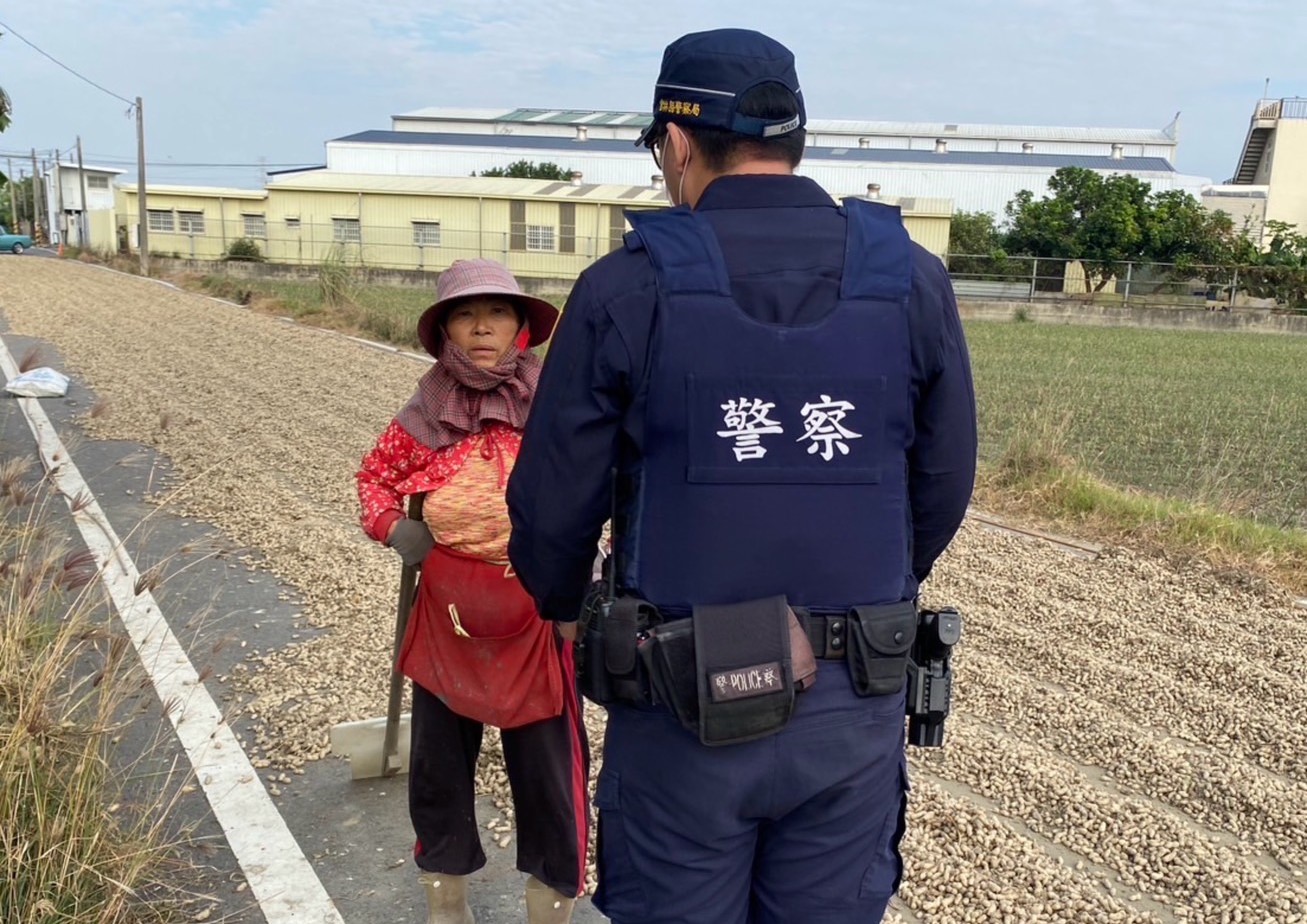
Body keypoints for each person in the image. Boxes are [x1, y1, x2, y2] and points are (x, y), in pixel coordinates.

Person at [506, 28, 977, 924]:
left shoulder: (626, 287)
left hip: (680, 699)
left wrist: (563, 600)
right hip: (852, 702)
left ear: (678, 142)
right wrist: (865, 597)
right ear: (793, 137)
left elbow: (551, 500)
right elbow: (944, 478)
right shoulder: (909, 279)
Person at [356, 259, 587, 924]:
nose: (482, 327)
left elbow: (598, 482)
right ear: (446, 331)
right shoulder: (423, 414)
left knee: (549, 773)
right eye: (465, 314)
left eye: (497, 313)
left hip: (538, 609)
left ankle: (549, 905)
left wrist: (592, 554)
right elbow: (374, 479)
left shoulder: (554, 406)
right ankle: (446, 903)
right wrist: (393, 526)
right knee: (438, 768)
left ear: (520, 328)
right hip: (445, 612)